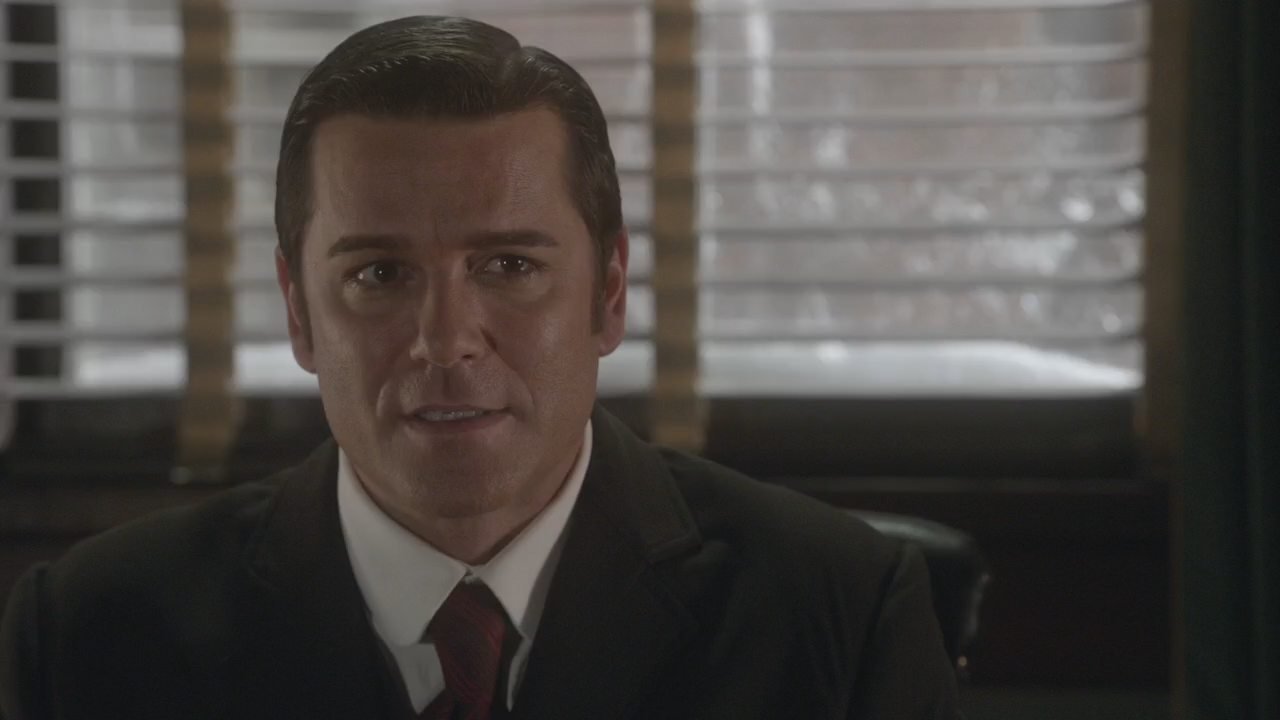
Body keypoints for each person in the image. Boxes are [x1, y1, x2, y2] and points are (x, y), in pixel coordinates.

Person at [0, 16, 958, 719]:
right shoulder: (89, 634)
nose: (447, 339)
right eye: (379, 274)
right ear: (299, 312)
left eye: (509, 267)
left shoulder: (840, 613)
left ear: (608, 293)